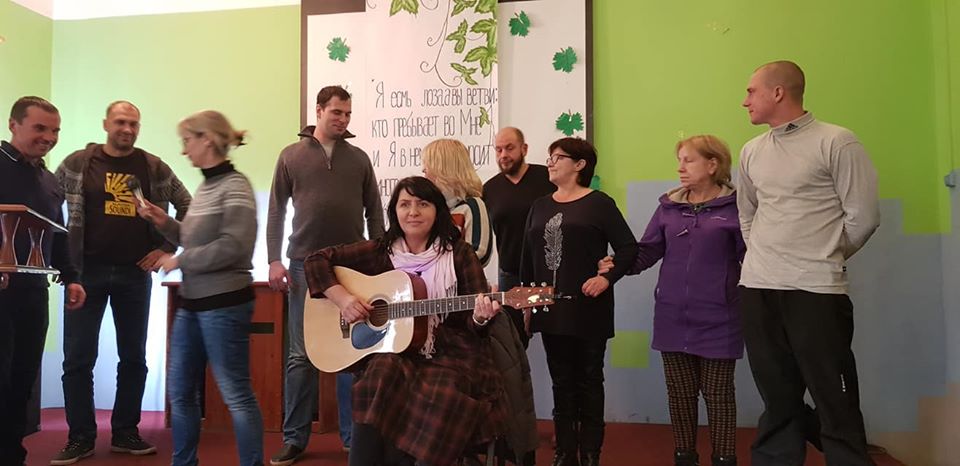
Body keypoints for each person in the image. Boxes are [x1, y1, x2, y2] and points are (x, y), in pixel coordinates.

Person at [304, 176, 507, 466]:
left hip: (451, 352)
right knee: (379, 374)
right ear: (395, 211)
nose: (413, 212)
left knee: (443, 392)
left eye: (422, 204)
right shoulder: (380, 251)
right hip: (397, 349)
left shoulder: (460, 254)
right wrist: (344, 299)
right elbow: (315, 261)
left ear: (437, 211)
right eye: (405, 204)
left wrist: (480, 317)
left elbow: (473, 325)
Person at [738, 60, 880, 466]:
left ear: (778, 92)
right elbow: (747, 215)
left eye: (751, 91)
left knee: (834, 398)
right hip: (758, 287)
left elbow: (864, 217)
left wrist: (823, 257)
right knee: (778, 397)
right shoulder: (751, 151)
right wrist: (766, 256)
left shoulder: (837, 142)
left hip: (816, 289)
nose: (745, 101)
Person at [51, 100, 191, 465]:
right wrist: (60, 257)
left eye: (133, 123)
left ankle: (126, 432)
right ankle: (80, 437)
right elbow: (47, 203)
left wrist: (166, 247)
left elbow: (188, 206)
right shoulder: (77, 164)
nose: (127, 129)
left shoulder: (154, 167)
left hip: (134, 274)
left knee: (133, 357)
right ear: (106, 124)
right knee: (78, 358)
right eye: (120, 122)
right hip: (84, 275)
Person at [600, 135, 744, 466]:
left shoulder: (736, 208)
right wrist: (617, 264)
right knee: (680, 396)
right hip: (672, 317)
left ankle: (724, 459)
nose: (680, 167)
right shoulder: (668, 207)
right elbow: (648, 250)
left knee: (719, 397)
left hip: (720, 318)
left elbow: (751, 259)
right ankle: (684, 457)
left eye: (688, 160)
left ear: (713, 164)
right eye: (679, 160)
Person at [137, 110, 263, 466]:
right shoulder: (206, 187)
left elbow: (235, 246)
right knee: (180, 392)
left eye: (187, 141)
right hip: (192, 303)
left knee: (236, 394)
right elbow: (191, 239)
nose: (183, 150)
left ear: (207, 139)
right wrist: (163, 221)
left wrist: (180, 261)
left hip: (225, 303)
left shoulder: (236, 186)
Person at [267, 85, 385, 465]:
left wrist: (381, 260)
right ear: (318, 111)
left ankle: (353, 441)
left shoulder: (359, 159)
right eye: (337, 112)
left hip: (351, 267)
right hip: (303, 266)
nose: (343, 119)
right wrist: (273, 260)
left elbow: (375, 212)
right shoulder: (291, 156)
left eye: (348, 114)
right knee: (300, 356)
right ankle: (294, 439)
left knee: (352, 352)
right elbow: (276, 211)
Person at [520, 137, 638, 466]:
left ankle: (590, 454)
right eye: (549, 157)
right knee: (561, 383)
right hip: (549, 309)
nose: (550, 163)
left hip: (588, 309)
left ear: (580, 164)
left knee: (589, 381)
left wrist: (606, 278)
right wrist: (527, 302)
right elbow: (528, 258)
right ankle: (564, 453)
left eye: (557, 157)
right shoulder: (540, 205)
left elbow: (628, 248)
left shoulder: (599, 203)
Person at [0, 96, 86, 466]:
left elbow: (58, 234)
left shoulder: (50, 181)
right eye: (40, 128)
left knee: (22, 381)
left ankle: (11, 456)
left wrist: (72, 277)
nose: (49, 137)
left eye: (55, 131)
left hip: (34, 294)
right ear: (13, 125)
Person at [483, 127, 555, 347]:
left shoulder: (547, 178)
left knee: (554, 337)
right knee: (515, 341)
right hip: (511, 275)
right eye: (498, 150)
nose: (503, 155)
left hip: (546, 274)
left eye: (509, 148)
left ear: (524, 149)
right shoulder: (489, 189)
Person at [422, 138, 493, 266]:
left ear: (441, 170)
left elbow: (480, 253)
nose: (425, 176)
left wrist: (439, 267)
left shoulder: (472, 206)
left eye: (426, 170)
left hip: (460, 278)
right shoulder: (433, 208)